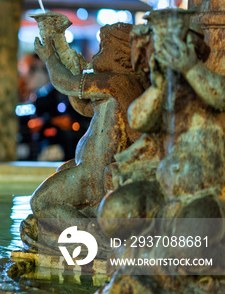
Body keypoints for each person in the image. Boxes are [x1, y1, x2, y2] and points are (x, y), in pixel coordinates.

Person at [21, 22, 149, 249]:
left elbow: (66, 84)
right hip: (90, 167)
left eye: (102, 49)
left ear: (120, 56)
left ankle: (98, 240)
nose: (97, 55)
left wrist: (50, 57)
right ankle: (73, 231)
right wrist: (70, 65)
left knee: (40, 202)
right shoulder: (123, 86)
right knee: (59, 178)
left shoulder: (117, 82)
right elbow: (83, 107)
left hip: (93, 171)